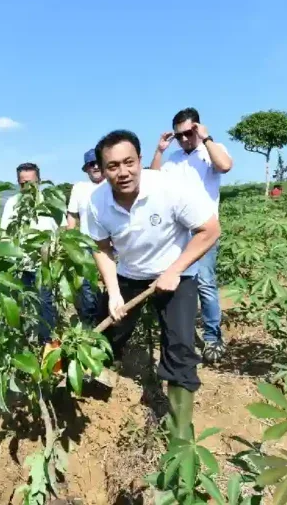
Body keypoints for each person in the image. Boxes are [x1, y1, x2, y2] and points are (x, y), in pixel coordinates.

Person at [87, 129, 220, 440]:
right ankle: (96, 383)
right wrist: (115, 293)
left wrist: (174, 270)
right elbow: (101, 246)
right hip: (131, 274)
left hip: (177, 274)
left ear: (140, 160)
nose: (122, 172)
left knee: (179, 346)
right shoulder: (98, 201)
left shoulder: (169, 187)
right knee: (109, 331)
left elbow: (210, 229)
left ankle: (180, 432)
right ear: (103, 169)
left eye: (128, 162)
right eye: (113, 166)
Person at [151, 107, 232, 364]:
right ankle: (179, 334)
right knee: (176, 282)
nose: (185, 139)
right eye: (180, 135)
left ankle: (212, 338)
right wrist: (160, 151)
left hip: (203, 231)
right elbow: (152, 181)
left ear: (198, 128)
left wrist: (206, 139)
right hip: (176, 233)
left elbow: (226, 166)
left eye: (189, 133)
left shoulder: (211, 152)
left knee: (205, 283)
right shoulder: (173, 159)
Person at [0, 162, 58, 344]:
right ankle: (26, 342)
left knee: (45, 303)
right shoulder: (12, 203)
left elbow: (62, 230)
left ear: (39, 181)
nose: (27, 187)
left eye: (31, 182)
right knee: (23, 305)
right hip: (20, 265)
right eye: (23, 183)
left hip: (44, 265)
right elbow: (4, 235)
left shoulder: (49, 202)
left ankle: (47, 342)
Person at [66, 148, 105, 326]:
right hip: (86, 244)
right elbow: (72, 216)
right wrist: (68, 242)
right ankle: (91, 325)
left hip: (114, 244)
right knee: (87, 287)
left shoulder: (113, 185)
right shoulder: (80, 188)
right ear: (86, 169)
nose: (95, 167)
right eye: (91, 164)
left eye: (98, 162)